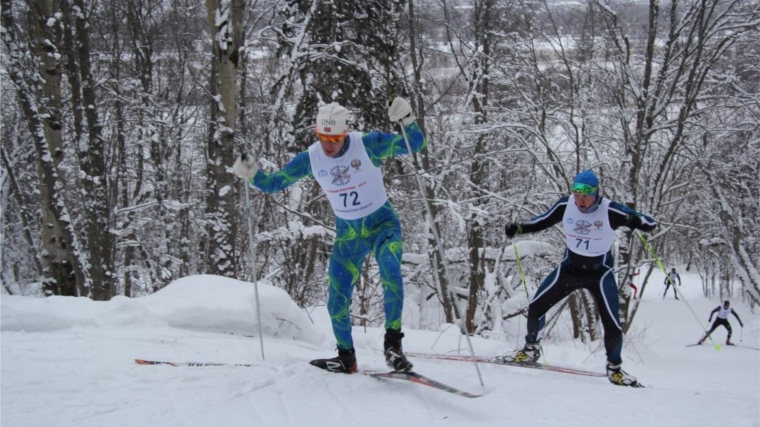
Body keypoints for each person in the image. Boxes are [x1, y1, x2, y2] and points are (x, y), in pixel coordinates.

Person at [232, 97, 425, 374]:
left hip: (382, 224)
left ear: (345, 133)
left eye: (334, 138)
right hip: (349, 236)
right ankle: (346, 357)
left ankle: (393, 345)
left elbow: (414, 144)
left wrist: (407, 120)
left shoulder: (366, 144)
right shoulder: (311, 157)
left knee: (391, 271)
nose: (329, 145)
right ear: (317, 133)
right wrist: (253, 175)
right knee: (336, 297)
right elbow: (276, 183)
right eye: (323, 137)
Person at [500, 170, 657, 387]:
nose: (581, 199)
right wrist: (519, 228)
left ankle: (615, 369)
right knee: (536, 307)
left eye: (587, 194)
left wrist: (635, 221)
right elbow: (542, 221)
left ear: (596, 193)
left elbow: (650, 222)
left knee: (612, 323)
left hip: (600, 274)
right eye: (577, 193)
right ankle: (530, 350)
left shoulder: (610, 209)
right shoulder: (566, 205)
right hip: (570, 269)